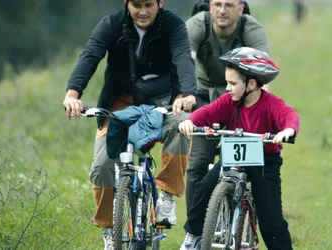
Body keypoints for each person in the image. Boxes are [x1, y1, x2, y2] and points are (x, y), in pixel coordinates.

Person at [62, 0, 197, 249]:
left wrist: (186, 94)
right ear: (127, 3)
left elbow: (182, 58)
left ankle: (166, 195)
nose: (142, 11)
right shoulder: (112, 25)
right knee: (102, 165)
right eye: (136, 5)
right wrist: (73, 94)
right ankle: (109, 229)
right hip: (119, 104)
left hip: (164, 102)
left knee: (182, 127)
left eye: (149, 5)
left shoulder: (173, 26)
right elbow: (90, 55)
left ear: (160, 3)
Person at [178, 47, 299, 249]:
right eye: (227, 82)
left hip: (264, 161)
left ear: (251, 84)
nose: (227, 88)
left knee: (272, 220)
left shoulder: (271, 104)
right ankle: (194, 235)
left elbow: (290, 115)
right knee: (204, 188)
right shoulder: (229, 102)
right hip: (233, 154)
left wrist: (288, 130)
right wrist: (190, 121)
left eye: (232, 83)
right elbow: (206, 112)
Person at [184, 0, 271, 220]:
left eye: (229, 5)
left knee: (246, 164)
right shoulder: (197, 25)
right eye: (218, 4)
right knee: (196, 165)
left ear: (240, 9)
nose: (222, 10)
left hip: (242, 101)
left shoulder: (251, 29)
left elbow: (263, 72)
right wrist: (184, 95)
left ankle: (243, 220)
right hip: (205, 98)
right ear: (210, 6)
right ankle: (194, 231)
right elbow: (186, 63)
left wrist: (261, 108)